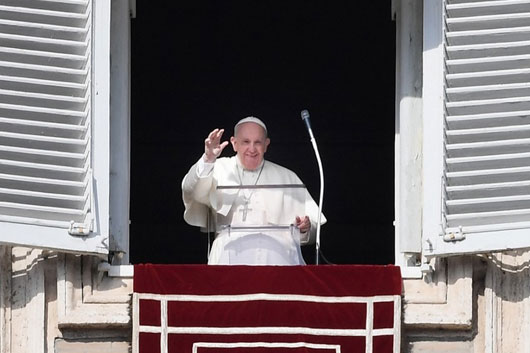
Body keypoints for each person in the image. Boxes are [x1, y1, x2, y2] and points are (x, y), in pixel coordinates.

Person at [182, 116, 325, 265]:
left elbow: (314, 227)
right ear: (234, 143)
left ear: (266, 144)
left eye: (258, 142)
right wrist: (208, 158)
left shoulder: (287, 176)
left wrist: (305, 228)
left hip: (277, 260)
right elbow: (192, 191)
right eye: (245, 142)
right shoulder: (216, 168)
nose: (252, 149)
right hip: (228, 259)